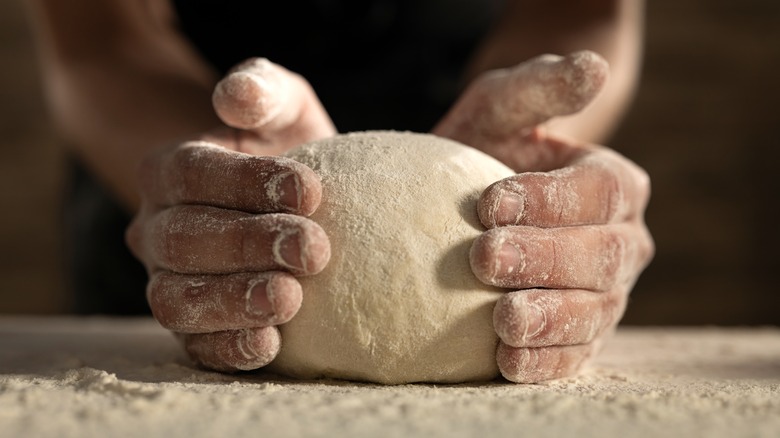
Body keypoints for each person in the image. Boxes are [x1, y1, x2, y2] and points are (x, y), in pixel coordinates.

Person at [27, 0, 653, 383]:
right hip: (211, 218)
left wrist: (527, 145)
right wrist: (203, 171)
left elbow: (580, 8)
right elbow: (101, 37)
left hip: (478, 179)